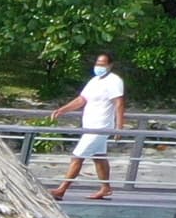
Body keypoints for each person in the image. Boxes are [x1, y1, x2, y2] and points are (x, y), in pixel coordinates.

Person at [48, 53, 126, 203]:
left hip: (101, 127)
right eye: (98, 63)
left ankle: (61, 190)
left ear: (110, 65)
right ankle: (106, 188)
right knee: (99, 157)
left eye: (103, 64)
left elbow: (119, 103)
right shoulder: (94, 81)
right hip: (89, 126)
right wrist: (62, 110)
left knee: (77, 156)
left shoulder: (114, 81)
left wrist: (119, 127)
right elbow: (82, 99)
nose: (99, 66)